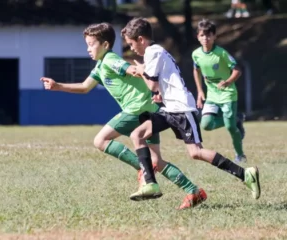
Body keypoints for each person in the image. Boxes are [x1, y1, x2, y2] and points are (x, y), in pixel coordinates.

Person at [40, 22, 206, 209]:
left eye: (91, 44)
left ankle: (143, 169)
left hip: (137, 109)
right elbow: (85, 87)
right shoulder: (101, 66)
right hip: (148, 110)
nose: (88, 49)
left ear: (105, 45)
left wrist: (142, 72)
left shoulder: (110, 59)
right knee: (156, 161)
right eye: (86, 44)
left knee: (100, 140)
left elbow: (131, 69)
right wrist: (58, 86)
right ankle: (193, 191)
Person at [121, 17, 260, 201]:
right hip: (170, 107)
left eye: (131, 43)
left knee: (195, 152)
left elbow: (152, 85)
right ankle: (149, 182)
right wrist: (161, 92)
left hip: (181, 109)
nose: (131, 48)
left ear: (141, 39)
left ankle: (245, 174)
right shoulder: (155, 52)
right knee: (137, 135)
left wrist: (141, 71)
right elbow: (164, 81)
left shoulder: (152, 52)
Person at [192, 19, 247, 164]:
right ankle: (237, 119)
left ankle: (240, 155)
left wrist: (228, 81)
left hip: (228, 94)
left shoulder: (221, 53)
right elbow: (196, 70)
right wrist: (199, 91)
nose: (205, 38)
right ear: (198, 36)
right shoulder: (196, 54)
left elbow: (237, 70)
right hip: (212, 95)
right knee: (206, 125)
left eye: (209, 35)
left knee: (230, 127)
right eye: (202, 35)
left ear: (215, 36)